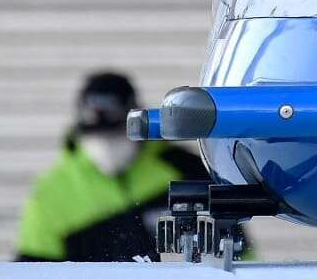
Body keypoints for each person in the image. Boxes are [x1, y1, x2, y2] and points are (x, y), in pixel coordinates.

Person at [15, 72, 235, 262]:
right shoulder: (50, 192)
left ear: (137, 127)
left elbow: (234, 254)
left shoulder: (185, 170)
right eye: (97, 136)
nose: (106, 145)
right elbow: (33, 269)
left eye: (116, 133)